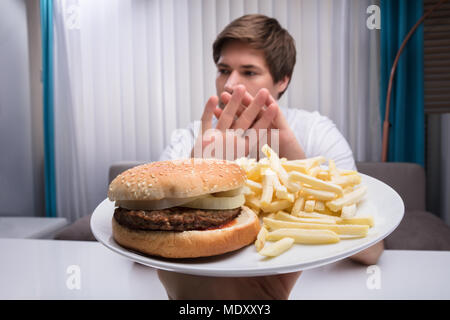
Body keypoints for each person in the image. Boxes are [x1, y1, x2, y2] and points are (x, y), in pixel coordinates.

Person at [158, 14, 384, 300]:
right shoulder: (190, 140)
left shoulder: (317, 133)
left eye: (249, 72)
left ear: (283, 80)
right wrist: (194, 180)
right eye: (224, 70)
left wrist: (301, 173)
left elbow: (372, 250)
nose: (230, 85)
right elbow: (141, 252)